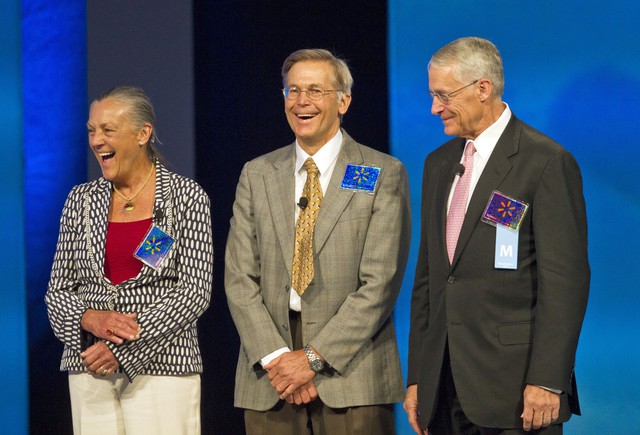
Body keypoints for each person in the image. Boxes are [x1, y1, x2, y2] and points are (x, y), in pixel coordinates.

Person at [403, 37, 590, 435]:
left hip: (516, 392)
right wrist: (418, 375)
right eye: (431, 95)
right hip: (445, 391)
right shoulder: (438, 165)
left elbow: (565, 284)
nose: (434, 107)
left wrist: (547, 379)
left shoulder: (545, 161)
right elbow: (429, 281)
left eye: (442, 95)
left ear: (482, 89)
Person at [225, 48, 411, 435]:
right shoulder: (257, 173)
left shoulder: (382, 172)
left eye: (315, 90)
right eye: (292, 90)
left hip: (353, 373)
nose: (301, 101)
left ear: (344, 101)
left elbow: (380, 284)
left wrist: (311, 358)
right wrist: (280, 359)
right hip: (270, 376)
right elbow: (239, 277)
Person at [45, 86, 213, 435]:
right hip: (90, 365)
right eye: (92, 130)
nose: (96, 140)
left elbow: (194, 291)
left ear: (142, 134)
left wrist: (124, 347)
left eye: (108, 130)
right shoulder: (81, 200)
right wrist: (89, 319)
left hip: (163, 366)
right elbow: (57, 292)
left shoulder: (186, 198)